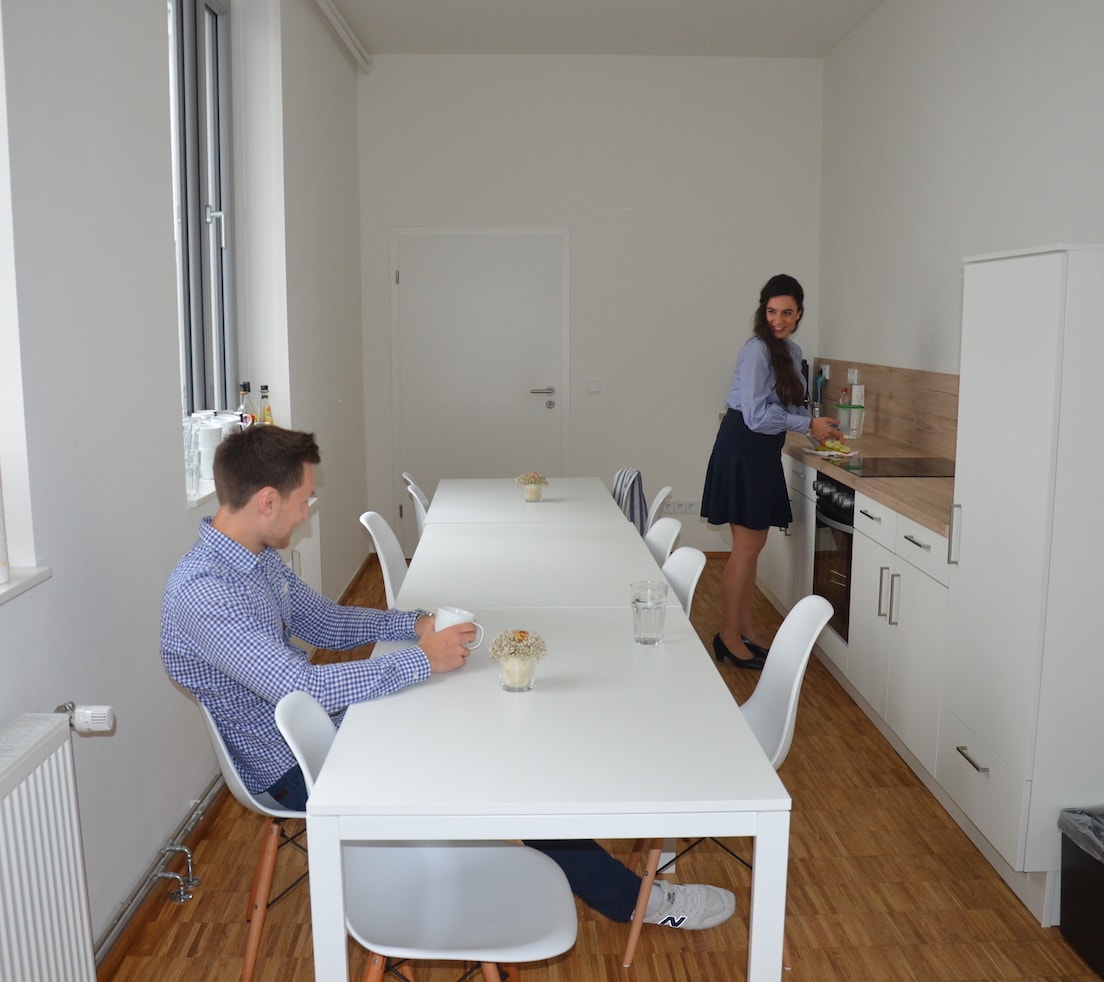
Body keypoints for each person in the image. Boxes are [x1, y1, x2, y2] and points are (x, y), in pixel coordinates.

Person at [162, 424, 735, 934]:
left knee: (491, 731)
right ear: (266, 501)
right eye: (304, 501)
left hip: (328, 729)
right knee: (504, 772)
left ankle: (610, 843)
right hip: (298, 767)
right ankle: (633, 900)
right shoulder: (205, 593)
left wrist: (416, 624)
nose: (307, 513)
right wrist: (422, 659)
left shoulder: (253, 555)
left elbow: (325, 621)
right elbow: (301, 689)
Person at [700, 274, 842, 669]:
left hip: (762, 452)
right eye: (772, 312)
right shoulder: (756, 351)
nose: (779, 319)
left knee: (754, 547)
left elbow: (793, 407)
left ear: (799, 315)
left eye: (787, 312)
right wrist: (806, 427)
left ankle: (743, 627)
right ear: (763, 312)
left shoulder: (791, 351)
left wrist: (821, 434)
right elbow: (757, 414)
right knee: (745, 549)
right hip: (743, 448)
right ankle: (728, 635)